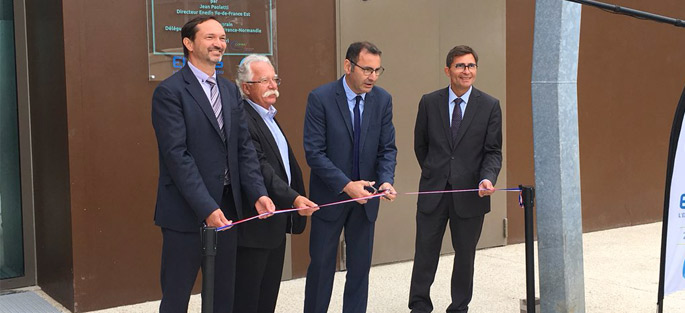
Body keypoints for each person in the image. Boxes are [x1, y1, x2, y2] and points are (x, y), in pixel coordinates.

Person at [151, 16, 275, 313]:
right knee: (176, 297)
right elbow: (177, 156)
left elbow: (243, 148)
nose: (219, 43)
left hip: (229, 209)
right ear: (189, 43)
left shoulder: (230, 90)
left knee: (222, 297)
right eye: (210, 37)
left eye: (222, 38)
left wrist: (258, 193)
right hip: (185, 212)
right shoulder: (170, 92)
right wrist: (207, 208)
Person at [303, 41, 398, 313]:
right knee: (321, 267)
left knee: (359, 269)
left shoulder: (382, 99)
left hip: (367, 201)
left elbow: (387, 148)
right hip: (330, 198)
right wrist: (346, 186)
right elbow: (314, 152)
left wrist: (386, 180)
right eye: (367, 69)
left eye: (378, 70)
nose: (373, 77)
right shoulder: (320, 98)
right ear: (348, 66)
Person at [409, 45, 502, 313]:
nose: (466, 71)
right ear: (448, 70)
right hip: (433, 192)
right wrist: (433, 172)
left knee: (465, 257)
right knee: (425, 253)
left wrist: (487, 178)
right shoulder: (429, 102)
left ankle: (459, 307)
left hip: (471, 194)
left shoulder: (490, 106)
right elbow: (421, 145)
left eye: (471, 66)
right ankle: (419, 306)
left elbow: (493, 151)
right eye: (460, 66)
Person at [233, 54, 319, 313]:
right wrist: (293, 198)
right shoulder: (244, 119)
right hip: (255, 227)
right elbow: (261, 168)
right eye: (264, 81)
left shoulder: (268, 116)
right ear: (246, 87)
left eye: (275, 79)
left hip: (274, 224)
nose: (273, 85)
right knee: (248, 300)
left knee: (267, 297)